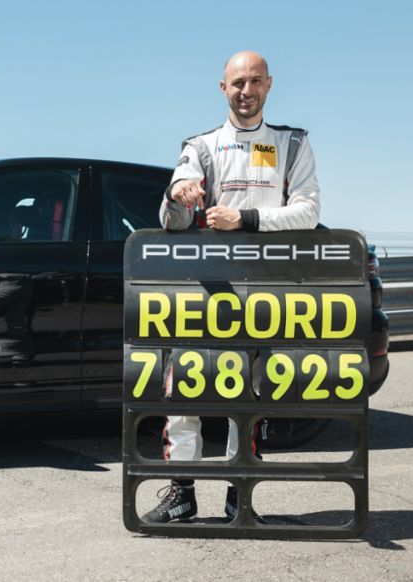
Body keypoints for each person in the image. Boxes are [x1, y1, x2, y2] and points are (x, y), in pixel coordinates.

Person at [145, 50, 321, 524]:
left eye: (255, 81)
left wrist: (244, 218)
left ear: (269, 85)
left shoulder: (293, 143)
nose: (247, 91)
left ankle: (238, 494)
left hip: (264, 296)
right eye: (238, 83)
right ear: (223, 88)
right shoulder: (200, 145)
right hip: (203, 293)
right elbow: (173, 217)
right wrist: (177, 194)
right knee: (182, 393)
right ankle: (181, 491)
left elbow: (308, 213)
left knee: (249, 397)